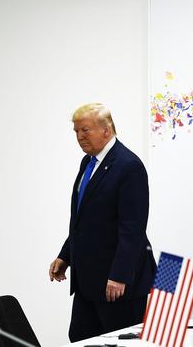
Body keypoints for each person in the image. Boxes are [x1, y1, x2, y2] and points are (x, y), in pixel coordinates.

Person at [48, 103, 156, 342]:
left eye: (85, 130)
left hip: (118, 285)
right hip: (87, 281)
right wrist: (65, 256)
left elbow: (133, 228)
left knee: (118, 342)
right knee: (79, 338)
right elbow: (83, 219)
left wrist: (119, 275)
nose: (79, 137)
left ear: (106, 130)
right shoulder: (87, 163)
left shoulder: (129, 166)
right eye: (76, 131)